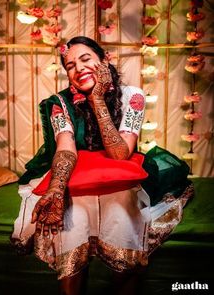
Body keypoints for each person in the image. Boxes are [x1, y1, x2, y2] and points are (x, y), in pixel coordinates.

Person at [11, 36, 193, 295]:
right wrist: (56, 189)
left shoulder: (133, 97)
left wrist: (97, 99)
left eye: (86, 60)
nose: (79, 69)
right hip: (77, 178)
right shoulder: (59, 104)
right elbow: (65, 146)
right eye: (70, 65)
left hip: (120, 178)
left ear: (105, 59)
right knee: (72, 221)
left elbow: (120, 154)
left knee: (122, 218)